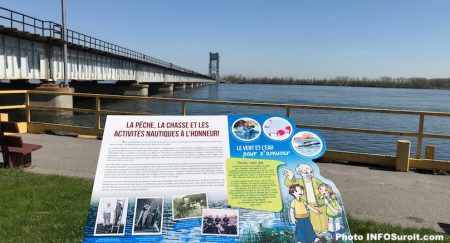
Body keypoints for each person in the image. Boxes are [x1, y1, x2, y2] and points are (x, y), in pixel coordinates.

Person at [284, 164, 329, 236]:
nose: (309, 174)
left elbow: (324, 186)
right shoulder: (299, 181)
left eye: (311, 172)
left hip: (320, 202)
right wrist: (290, 176)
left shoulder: (315, 180)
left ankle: (325, 230)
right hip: (310, 204)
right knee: (314, 219)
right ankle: (316, 232)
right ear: (300, 173)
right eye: (306, 172)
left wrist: (328, 193)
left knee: (323, 216)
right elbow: (290, 184)